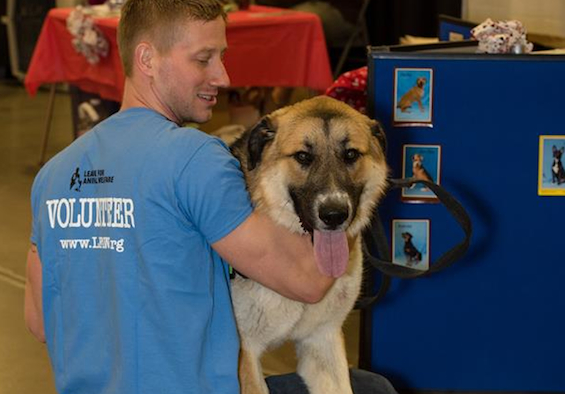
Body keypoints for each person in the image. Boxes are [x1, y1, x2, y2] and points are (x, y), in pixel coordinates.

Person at [24, 1, 397, 393]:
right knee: (374, 388)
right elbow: (308, 282)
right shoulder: (196, 159)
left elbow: (40, 322)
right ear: (147, 59)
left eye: (221, 58)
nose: (222, 76)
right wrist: (351, 204)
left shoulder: (53, 175)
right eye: (203, 60)